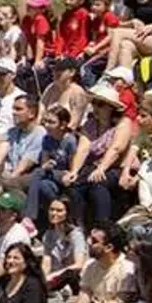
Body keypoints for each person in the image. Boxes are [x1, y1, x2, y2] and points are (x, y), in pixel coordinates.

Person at [64, 83, 134, 227]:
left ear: (111, 108)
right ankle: (79, 225)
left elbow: (117, 148)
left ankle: (103, 226)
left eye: (101, 104)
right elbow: (83, 148)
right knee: (74, 185)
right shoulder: (90, 124)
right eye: (95, 103)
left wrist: (102, 168)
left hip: (116, 167)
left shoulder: (123, 123)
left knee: (98, 184)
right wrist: (74, 171)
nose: (96, 107)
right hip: (92, 167)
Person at [25, 107, 80, 231]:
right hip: (50, 175)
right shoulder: (47, 139)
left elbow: (72, 168)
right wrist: (47, 165)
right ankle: (57, 218)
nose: (47, 125)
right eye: (46, 121)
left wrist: (65, 174)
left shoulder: (70, 141)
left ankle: (29, 216)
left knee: (37, 173)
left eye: (51, 122)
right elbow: (43, 163)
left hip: (65, 176)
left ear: (63, 124)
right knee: (43, 185)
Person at [40, 198, 87, 292]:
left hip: (72, 279)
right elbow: (46, 262)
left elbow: (79, 264)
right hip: (54, 280)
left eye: (59, 211)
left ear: (67, 213)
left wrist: (56, 274)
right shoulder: (48, 235)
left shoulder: (76, 235)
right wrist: (43, 279)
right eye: (51, 209)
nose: (54, 213)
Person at [42, 58, 89, 128]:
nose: (55, 72)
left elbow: (74, 123)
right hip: (47, 128)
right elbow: (41, 110)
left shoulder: (78, 92)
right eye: (54, 69)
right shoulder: (51, 88)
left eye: (60, 70)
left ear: (72, 72)